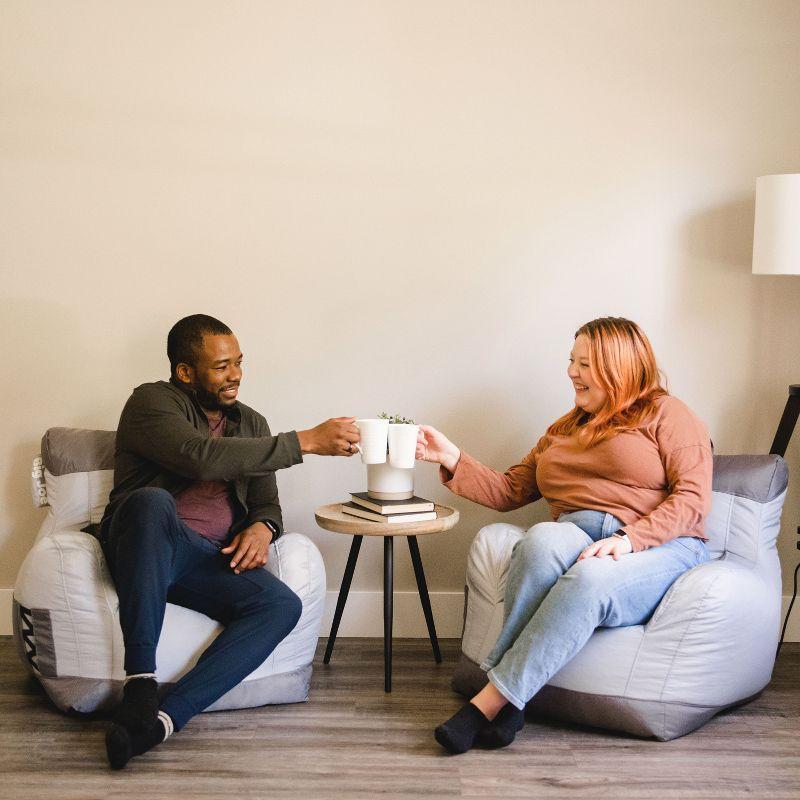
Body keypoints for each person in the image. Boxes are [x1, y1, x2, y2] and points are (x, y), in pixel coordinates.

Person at [416, 317, 712, 754]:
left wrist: (630, 539)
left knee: (590, 578)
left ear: (621, 367)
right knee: (539, 541)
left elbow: (692, 500)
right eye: (571, 360)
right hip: (578, 530)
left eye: (585, 363)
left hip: (660, 543)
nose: (572, 372)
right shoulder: (564, 428)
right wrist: (451, 456)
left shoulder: (668, 414)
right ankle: (514, 703)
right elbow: (510, 489)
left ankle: (488, 704)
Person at [97, 314, 360, 769]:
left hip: (205, 561)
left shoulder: (252, 423)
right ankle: (140, 682)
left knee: (281, 605)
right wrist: (307, 441)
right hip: (145, 547)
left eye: (238, 362)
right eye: (221, 366)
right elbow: (200, 458)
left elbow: (267, 505)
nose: (235, 374)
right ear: (185, 372)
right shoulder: (151, 402)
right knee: (151, 503)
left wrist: (263, 528)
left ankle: (160, 722)